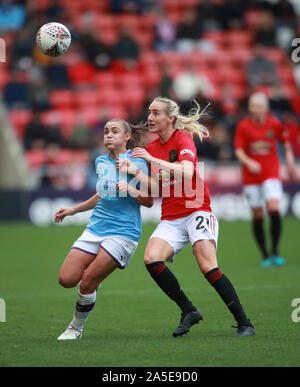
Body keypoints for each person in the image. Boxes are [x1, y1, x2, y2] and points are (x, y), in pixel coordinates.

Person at [116, 96, 255, 337]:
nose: (150, 117)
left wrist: (150, 160)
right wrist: (136, 172)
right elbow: (157, 188)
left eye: (156, 113)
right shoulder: (151, 148)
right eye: (149, 112)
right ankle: (188, 310)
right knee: (151, 259)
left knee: (207, 265)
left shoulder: (183, 139)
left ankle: (245, 324)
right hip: (171, 215)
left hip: (197, 209)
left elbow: (187, 170)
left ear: (170, 118)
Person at [54, 119, 153, 340]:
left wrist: (130, 188)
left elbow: (148, 201)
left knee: (87, 281)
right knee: (66, 279)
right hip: (96, 228)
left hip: (124, 232)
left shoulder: (138, 161)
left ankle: (75, 329)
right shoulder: (100, 161)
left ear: (127, 137)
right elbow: (101, 195)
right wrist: (72, 210)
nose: (108, 135)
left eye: (114, 131)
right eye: (106, 131)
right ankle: (93, 286)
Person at [234, 92, 296, 267]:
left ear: (266, 108)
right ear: (250, 108)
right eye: (254, 106)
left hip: (270, 173)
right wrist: (249, 162)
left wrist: (290, 161)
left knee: (274, 209)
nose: (257, 110)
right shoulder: (243, 127)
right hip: (251, 177)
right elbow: (239, 150)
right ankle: (264, 255)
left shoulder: (275, 124)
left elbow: (285, 143)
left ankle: (275, 251)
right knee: (258, 215)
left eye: (260, 106)